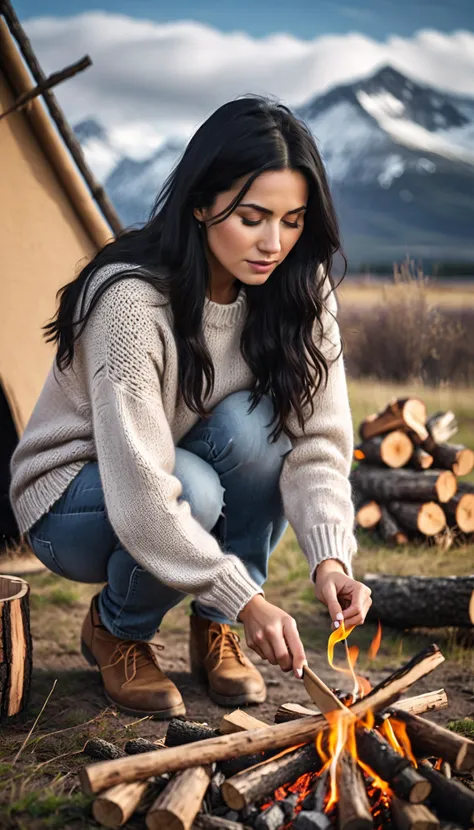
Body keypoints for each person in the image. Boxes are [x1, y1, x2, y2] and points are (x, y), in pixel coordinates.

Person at [9, 96, 372, 719]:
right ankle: (117, 630)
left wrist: (330, 560)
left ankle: (215, 626)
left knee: (260, 427)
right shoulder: (130, 302)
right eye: (253, 217)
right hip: (75, 496)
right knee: (195, 490)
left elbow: (317, 444)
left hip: (174, 470)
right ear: (201, 204)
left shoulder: (300, 289)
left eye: (292, 220)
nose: (274, 243)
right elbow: (144, 490)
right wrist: (247, 596)